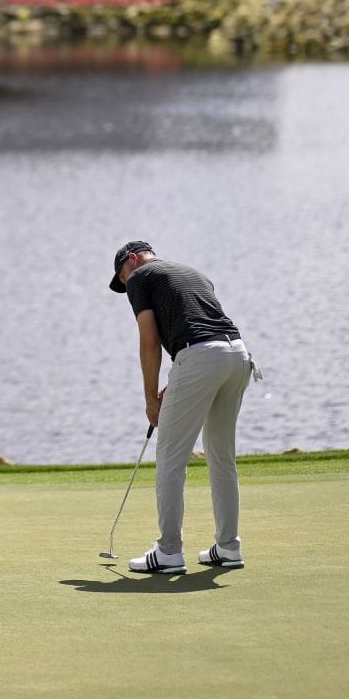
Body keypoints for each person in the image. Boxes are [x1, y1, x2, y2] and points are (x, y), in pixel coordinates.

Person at [110, 240, 258, 574]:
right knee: (221, 457)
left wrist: (150, 398)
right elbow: (198, 328)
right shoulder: (193, 272)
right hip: (238, 355)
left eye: (122, 276)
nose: (126, 285)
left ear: (132, 260)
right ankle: (228, 547)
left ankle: (169, 552)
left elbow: (149, 342)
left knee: (170, 457)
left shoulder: (140, 277)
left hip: (201, 357)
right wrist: (181, 377)